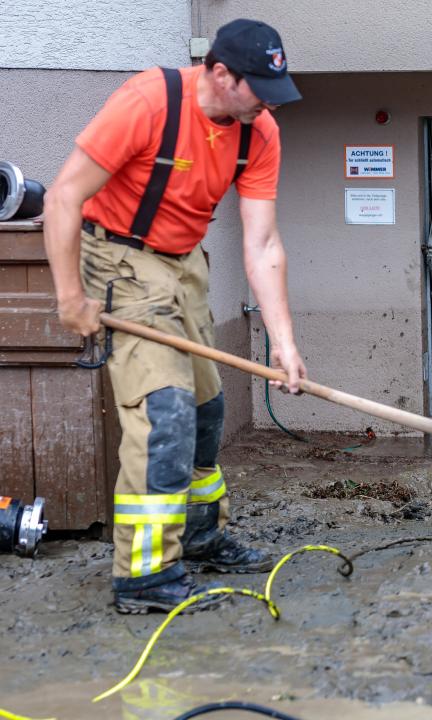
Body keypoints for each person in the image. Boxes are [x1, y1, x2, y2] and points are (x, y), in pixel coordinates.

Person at [42, 19, 306, 613]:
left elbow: (263, 246)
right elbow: (63, 197)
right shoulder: (148, 103)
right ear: (218, 72)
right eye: (257, 87)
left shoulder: (258, 131)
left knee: (207, 408)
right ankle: (143, 575)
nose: (267, 101)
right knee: (165, 416)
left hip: (184, 262)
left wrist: (284, 344)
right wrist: (69, 299)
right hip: (118, 258)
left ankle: (199, 534)